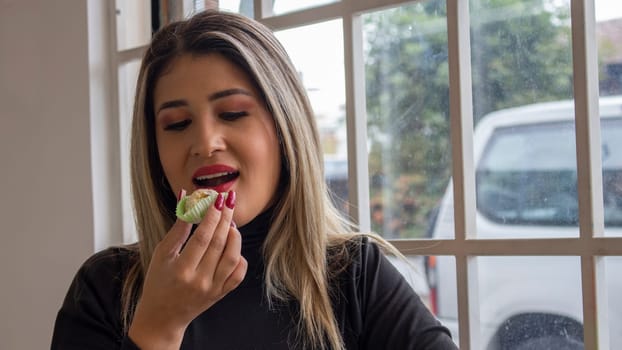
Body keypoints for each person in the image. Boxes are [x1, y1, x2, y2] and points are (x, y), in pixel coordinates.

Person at [51, 9, 457, 350]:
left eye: (232, 114)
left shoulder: (354, 275)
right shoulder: (106, 288)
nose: (205, 142)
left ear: (285, 130)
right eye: (176, 124)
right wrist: (157, 329)